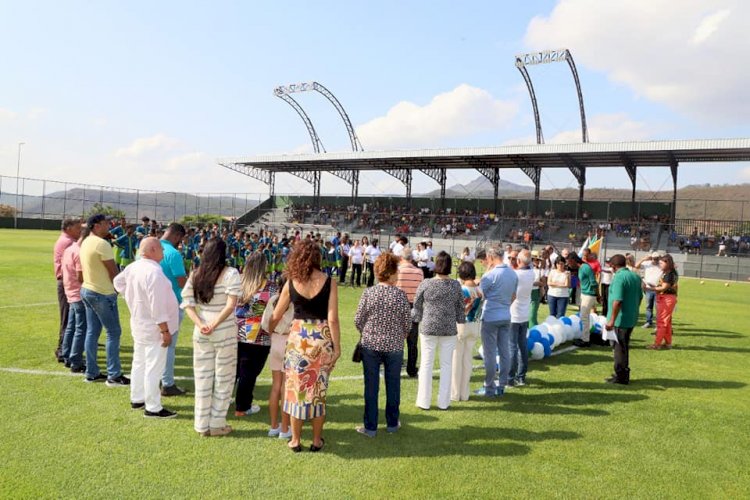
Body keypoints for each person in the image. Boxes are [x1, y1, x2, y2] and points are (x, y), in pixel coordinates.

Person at [269, 239, 341, 452]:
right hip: (321, 340)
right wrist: (337, 349)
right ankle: (317, 440)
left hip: (297, 341)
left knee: (294, 391)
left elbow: (276, 314)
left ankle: (295, 440)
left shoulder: (291, 282)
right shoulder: (330, 282)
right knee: (318, 392)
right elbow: (333, 319)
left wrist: (270, 328)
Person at [181, 239, 242, 437]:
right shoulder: (231, 274)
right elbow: (231, 305)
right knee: (224, 377)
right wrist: (213, 324)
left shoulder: (195, 273)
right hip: (222, 330)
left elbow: (188, 304)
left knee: (203, 377)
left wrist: (201, 324)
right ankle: (216, 423)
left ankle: (201, 424)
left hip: (202, 329)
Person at [113, 237, 179, 419]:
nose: (163, 253)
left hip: (140, 323)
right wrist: (164, 330)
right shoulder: (153, 273)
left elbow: (118, 283)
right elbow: (157, 306)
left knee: (140, 361)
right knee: (153, 365)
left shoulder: (133, 267)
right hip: (154, 327)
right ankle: (153, 407)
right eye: (160, 249)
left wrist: (133, 300)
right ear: (152, 250)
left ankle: (138, 397)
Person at [354, 253, 411, 437]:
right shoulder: (400, 296)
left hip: (370, 346)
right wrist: (398, 335)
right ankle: (392, 424)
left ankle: (370, 427)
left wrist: (370, 332)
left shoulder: (369, 293)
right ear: (391, 273)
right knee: (393, 386)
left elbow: (358, 320)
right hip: (394, 346)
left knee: (371, 387)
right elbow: (407, 324)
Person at [80, 214, 128, 386]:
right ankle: (114, 375)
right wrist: (122, 289)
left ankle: (91, 372)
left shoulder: (86, 241)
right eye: (107, 223)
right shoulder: (102, 244)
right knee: (113, 332)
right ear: (97, 225)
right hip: (102, 293)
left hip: (88, 290)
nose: (109, 225)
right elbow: (113, 272)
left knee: (92, 332)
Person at [413, 251, 465, 410]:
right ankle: (444, 402)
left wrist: (417, 319)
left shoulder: (426, 283)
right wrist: (461, 321)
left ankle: (424, 401)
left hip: (428, 327)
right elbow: (460, 308)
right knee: (446, 365)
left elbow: (417, 305)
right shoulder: (455, 285)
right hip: (448, 329)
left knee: (426, 364)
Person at [234, 252, 275, 417]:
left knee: (235, 370)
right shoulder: (270, 286)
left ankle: (225, 399)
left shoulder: (238, 281)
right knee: (249, 373)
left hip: (236, 331)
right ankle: (242, 407)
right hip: (259, 334)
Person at [477, 245, 517, 398]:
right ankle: (501, 385)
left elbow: (479, 293)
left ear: (491, 257)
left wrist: (488, 270)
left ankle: (489, 387)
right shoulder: (513, 274)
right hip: (506, 316)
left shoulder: (491, 275)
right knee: (505, 351)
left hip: (491, 317)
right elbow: (514, 296)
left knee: (490, 354)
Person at [261, 278, 295, 439]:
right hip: (289, 342)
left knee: (276, 385)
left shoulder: (274, 299)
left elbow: (265, 324)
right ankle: (285, 428)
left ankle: (274, 425)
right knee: (285, 388)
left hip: (275, 341)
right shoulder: (295, 301)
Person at [604, 254, 643, 385]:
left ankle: (621, 376)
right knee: (624, 346)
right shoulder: (635, 276)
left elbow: (617, 301)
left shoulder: (619, 278)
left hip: (620, 320)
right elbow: (640, 296)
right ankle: (623, 373)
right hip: (630, 317)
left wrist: (611, 320)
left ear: (613, 266)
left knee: (619, 348)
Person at [159, 223, 188, 397]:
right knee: (169, 345)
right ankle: (167, 383)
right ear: (177, 236)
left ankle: (155, 380)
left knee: (153, 345)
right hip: (171, 304)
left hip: (151, 304)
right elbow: (181, 281)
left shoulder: (147, 248)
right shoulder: (173, 253)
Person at [450, 261, 482, 402]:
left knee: (457, 360)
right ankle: (465, 393)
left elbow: (458, 310)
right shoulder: (480, 291)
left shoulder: (462, 290)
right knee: (467, 360)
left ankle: (455, 394)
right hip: (474, 326)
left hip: (461, 325)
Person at [53, 219, 83, 362]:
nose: (80, 231)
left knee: (69, 319)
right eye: (78, 228)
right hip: (67, 283)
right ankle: (62, 350)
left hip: (66, 282)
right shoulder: (69, 243)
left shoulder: (67, 240)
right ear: (69, 228)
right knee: (68, 319)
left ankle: (65, 349)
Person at [60, 223, 87, 372]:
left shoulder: (69, 249)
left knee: (71, 326)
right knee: (81, 328)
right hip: (78, 293)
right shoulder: (79, 252)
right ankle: (76, 361)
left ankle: (66, 355)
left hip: (70, 292)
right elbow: (80, 276)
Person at [395, 247, 424, 378]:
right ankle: (411, 369)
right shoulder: (419, 272)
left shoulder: (398, 271)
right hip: (414, 306)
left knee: (397, 340)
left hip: (399, 305)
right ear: (411, 258)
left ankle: (395, 366)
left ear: (401, 258)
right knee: (413, 342)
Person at [509, 249, 534, 387]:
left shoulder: (516, 274)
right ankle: (521, 377)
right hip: (524, 314)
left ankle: (510, 378)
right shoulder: (531, 273)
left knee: (512, 347)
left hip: (514, 314)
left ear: (519, 261)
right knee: (522, 346)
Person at [646, 254, 678, 350]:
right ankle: (668, 343)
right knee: (667, 323)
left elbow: (664, 287)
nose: (659, 264)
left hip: (666, 298)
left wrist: (649, 288)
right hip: (667, 298)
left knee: (662, 322)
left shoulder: (669, 274)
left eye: (661, 263)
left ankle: (657, 344)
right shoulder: (670, 272)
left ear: (667, 263)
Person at [573, 253, 600, 348]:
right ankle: (585, 337)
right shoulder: (582, 268)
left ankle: (585, 340)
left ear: (573, 260)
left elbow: (594, 282)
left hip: (589, 294)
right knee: (585, 317)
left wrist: (598, 295)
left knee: (584, 317)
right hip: (585, 293)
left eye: (569, 261)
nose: (568, 264)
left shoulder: (585, 268)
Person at [636, 252, 662, 329]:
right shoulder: (647, 263)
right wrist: (644, 259)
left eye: (657, 259)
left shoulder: (661, 265)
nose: (655, 260)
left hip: (658, 289)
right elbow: (636, 266)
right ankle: (648, 322)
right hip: (648, 288)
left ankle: (658, 324)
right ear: (651, 258)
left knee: (658, 307)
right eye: (654, 259)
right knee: (648, 307)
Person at [529, 251, 546, 328]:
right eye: (535, 260)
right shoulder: (527, 269)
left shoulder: (540, 271)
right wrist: (535, 283)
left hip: (535, 293)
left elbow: (543, 283)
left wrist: (538, 284)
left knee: (532, 314)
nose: (537, 262)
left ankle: (534, 330)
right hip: (525, 292)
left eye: (538, 260)